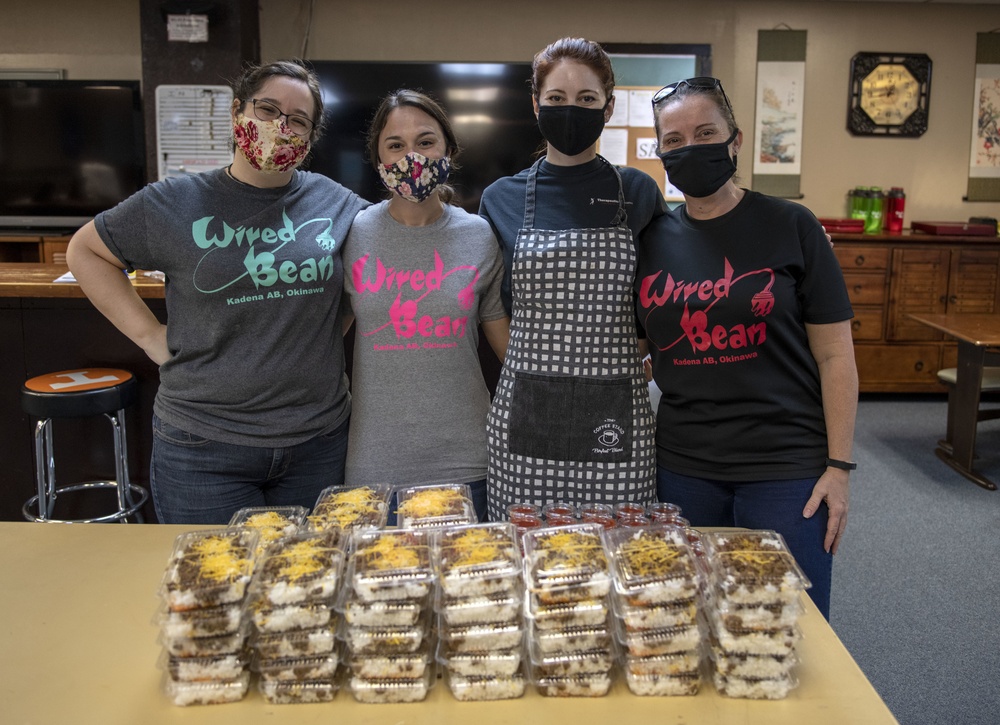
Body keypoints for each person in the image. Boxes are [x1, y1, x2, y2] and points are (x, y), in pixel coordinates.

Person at [66, 59, 369, 524]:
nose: (279, 127)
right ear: (236, 114)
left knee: (307, 588)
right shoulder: (173, 202)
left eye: (298, 120)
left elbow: (363, 280)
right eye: (267, 109)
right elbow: (85, 252)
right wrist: (150, 336)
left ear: (310, 138)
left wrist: (326, 327)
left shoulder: (338, 203)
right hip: (203, 448)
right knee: (214, 591)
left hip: (318, 442)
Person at [636, 76, 858, 618]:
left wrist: (839, 467)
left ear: (735, 140)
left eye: (706, 132)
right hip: (683, 465)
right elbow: (638, 348)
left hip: (786, 467)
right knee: (686, 622)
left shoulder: (792, 226)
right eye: (675, 140)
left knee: (786, 625)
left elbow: (836, 356)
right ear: (661, 153)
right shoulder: (651, 239)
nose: (691, 148)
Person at [479, 37, 667, 520]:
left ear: (607, 108)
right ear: (536, 105)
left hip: (615, 413)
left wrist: (634, 355)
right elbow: (493, 308)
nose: (571, 110)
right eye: (557, 99)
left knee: (620, 556)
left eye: (586, 99)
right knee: (525, 557)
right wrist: (529, 368)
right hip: (527, 414)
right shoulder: (502, 197)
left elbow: (666, 290)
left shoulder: (637, 191)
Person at [341, 89, 509, 522]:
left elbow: (505, 348)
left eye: (425, 141)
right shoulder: (353, 232)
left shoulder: (478, 235)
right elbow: (319, 337)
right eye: (395, 145)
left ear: (448, 150)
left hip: (468, 462)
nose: (411, 155)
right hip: (373, 466)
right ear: (378, 159)